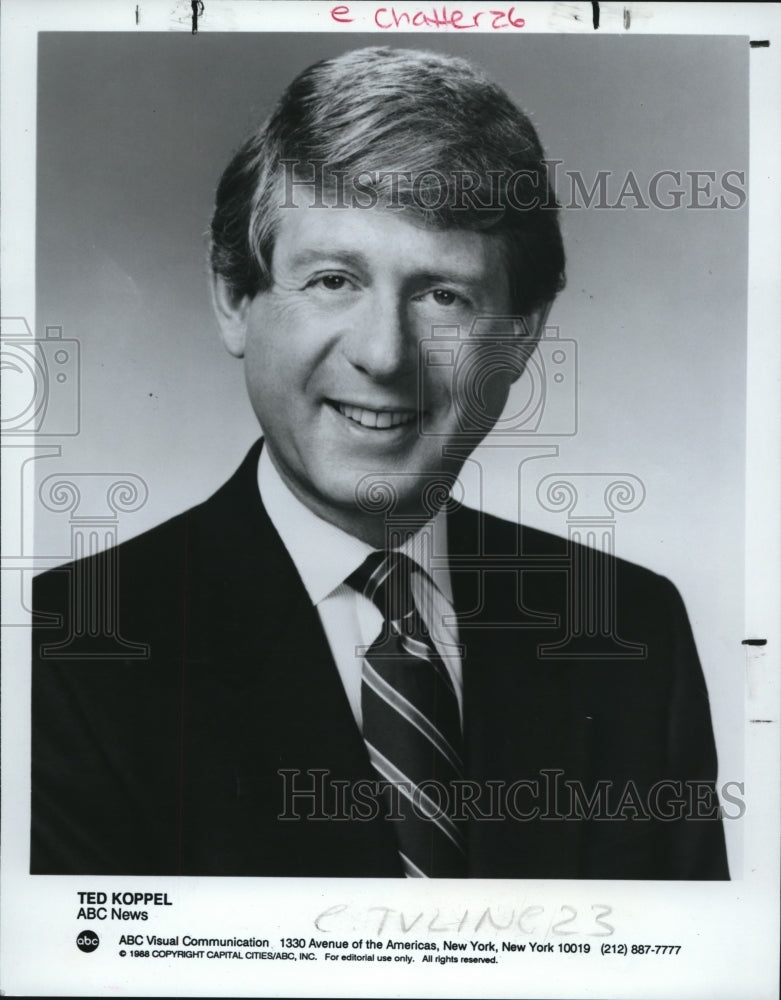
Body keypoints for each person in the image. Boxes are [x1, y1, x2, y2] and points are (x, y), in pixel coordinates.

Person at [31, 46, 728, 879]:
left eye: (443, 295)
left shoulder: (630, 628)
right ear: (232, 299)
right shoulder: (67, 652)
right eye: (332, 279)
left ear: (523, 333)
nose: (384, 354)